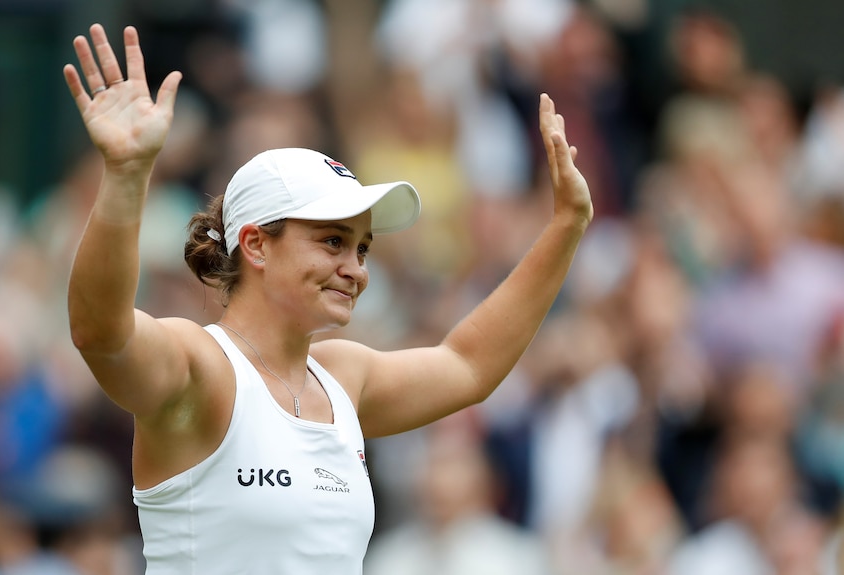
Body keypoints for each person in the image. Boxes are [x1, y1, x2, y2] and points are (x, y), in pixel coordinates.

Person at [62, 23, 592, 574]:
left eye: (362, 248)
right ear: (256, 244)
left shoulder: (342, 376)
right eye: (333, 241)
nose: (356, 270)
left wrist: (565, 227)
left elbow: (470, 365)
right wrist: (126, 173)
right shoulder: (200, 365)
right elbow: (100, 331)